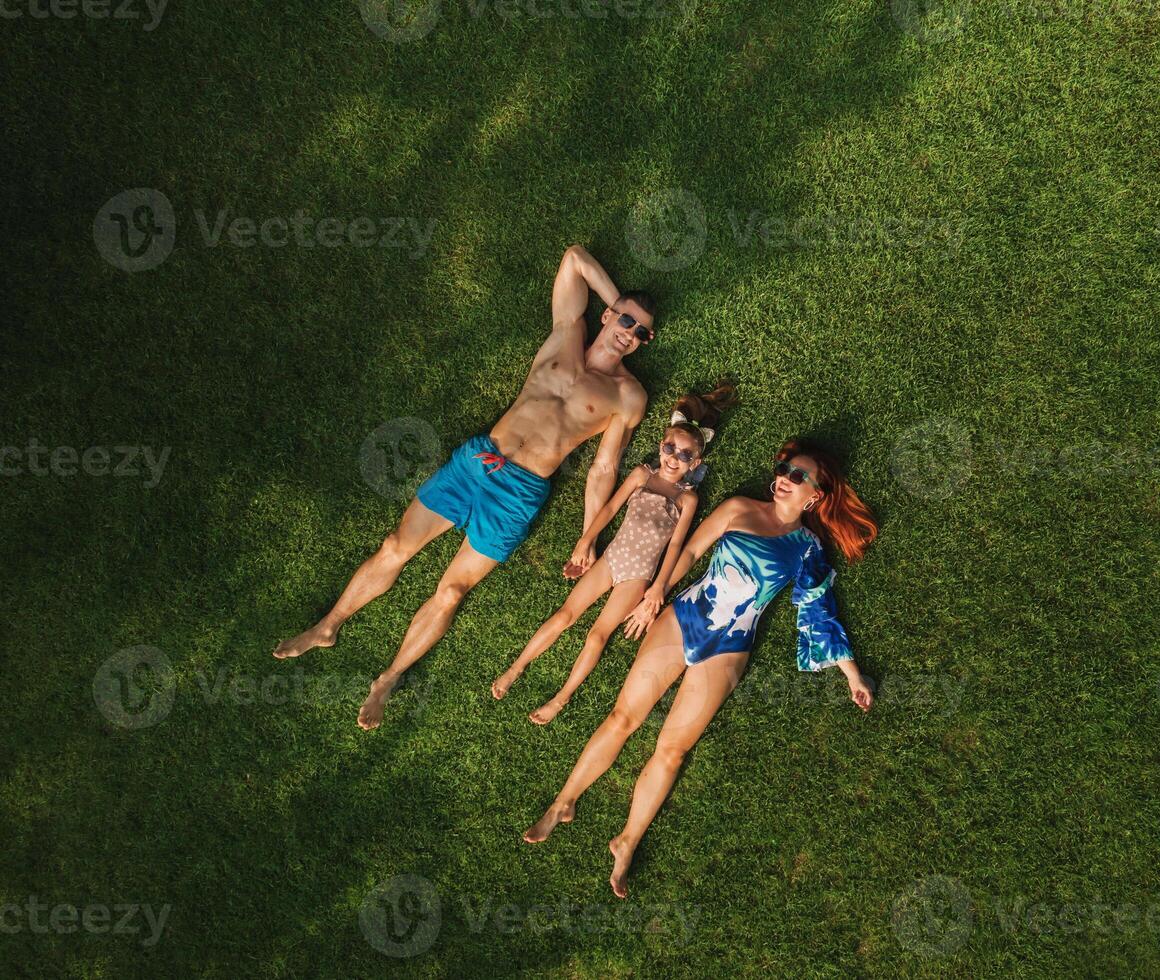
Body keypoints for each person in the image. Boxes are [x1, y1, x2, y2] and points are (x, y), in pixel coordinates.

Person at [270, 245, 652, 730]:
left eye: (640, 332)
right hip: (476, 463)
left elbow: (604, 468)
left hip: (519, 495)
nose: (629, 335)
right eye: (625, 322)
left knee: (451, 592)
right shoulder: (565, 335)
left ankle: (387, 679)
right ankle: (327, 626)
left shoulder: (627, 395)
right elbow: (574, 257)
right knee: (394, 547)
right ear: (607, 314)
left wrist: (587, 536)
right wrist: (618, 305)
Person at [522, 439, 878, 898]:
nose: (785, 477)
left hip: (730, 647)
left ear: (815, 496)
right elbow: (688, 553)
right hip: (685, 618)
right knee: (622, 717)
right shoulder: (737, 508)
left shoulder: (806, 548)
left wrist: (853, 675)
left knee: (671, 750)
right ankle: (563, 803)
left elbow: (817, 610)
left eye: (797, 475)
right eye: (785, 468)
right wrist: (656, 594)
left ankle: (626, 841)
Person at [492, 385, 736, 724]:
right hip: (611, 559)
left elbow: (677, 547)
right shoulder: (641, 475)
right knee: (565, 616)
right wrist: (585, 541)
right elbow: (608, 510)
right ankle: (516, 667)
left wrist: (656, 590)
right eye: (669, 447)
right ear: (660, 444)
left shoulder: (686, 499)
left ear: (695, 462)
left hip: (637, 577)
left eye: (683, 455)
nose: (673, 457)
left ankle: (560, 699)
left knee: (597, 635)